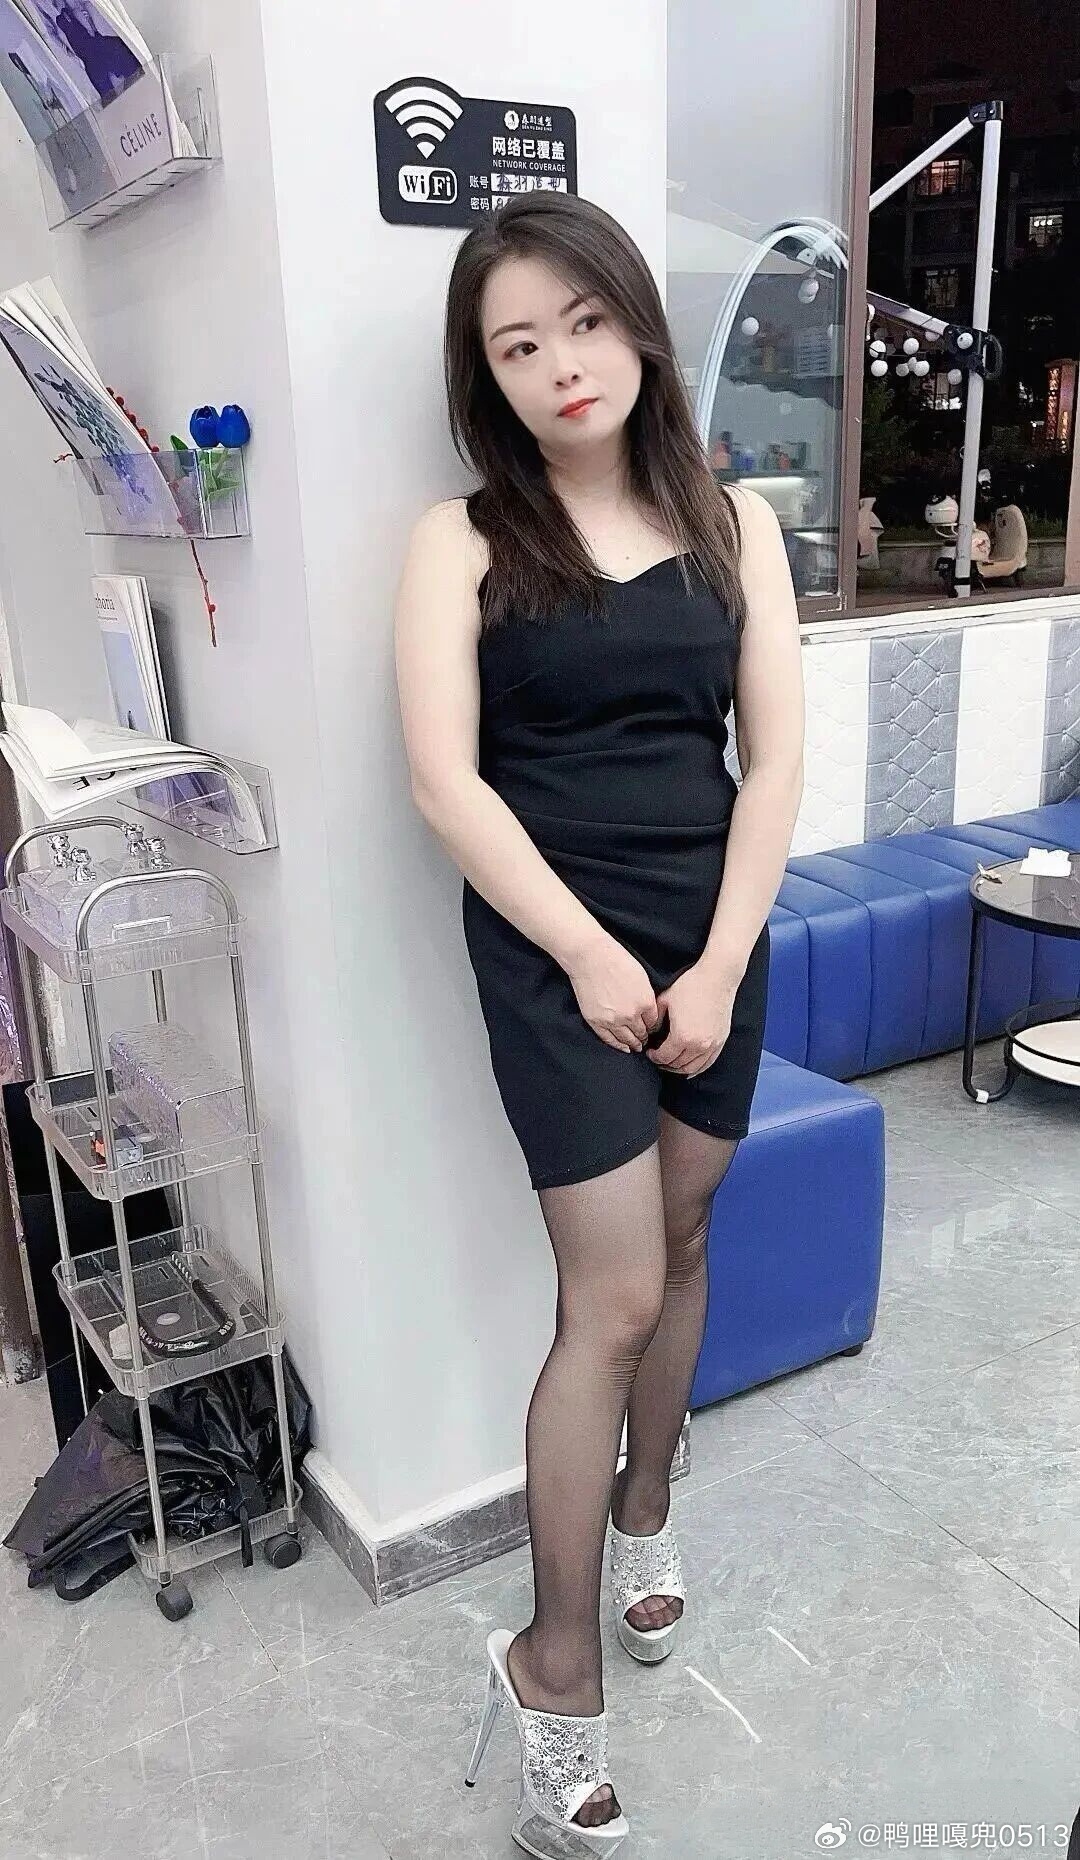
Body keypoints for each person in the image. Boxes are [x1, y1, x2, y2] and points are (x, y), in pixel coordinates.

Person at [394, 191, 804, 1856]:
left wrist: (716, 964)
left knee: (686, 1238)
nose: (560, 363)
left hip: (714, 934)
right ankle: (550, 1666)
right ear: (486, 377)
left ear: (635, 321)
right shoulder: (462, 540)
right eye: (518, 344)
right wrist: (582, 954)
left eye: (582, 321)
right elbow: (446, 782)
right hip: (552, 955)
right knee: (614, 1294)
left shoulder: (734, 518)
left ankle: (649, 1510)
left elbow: (771, 765)